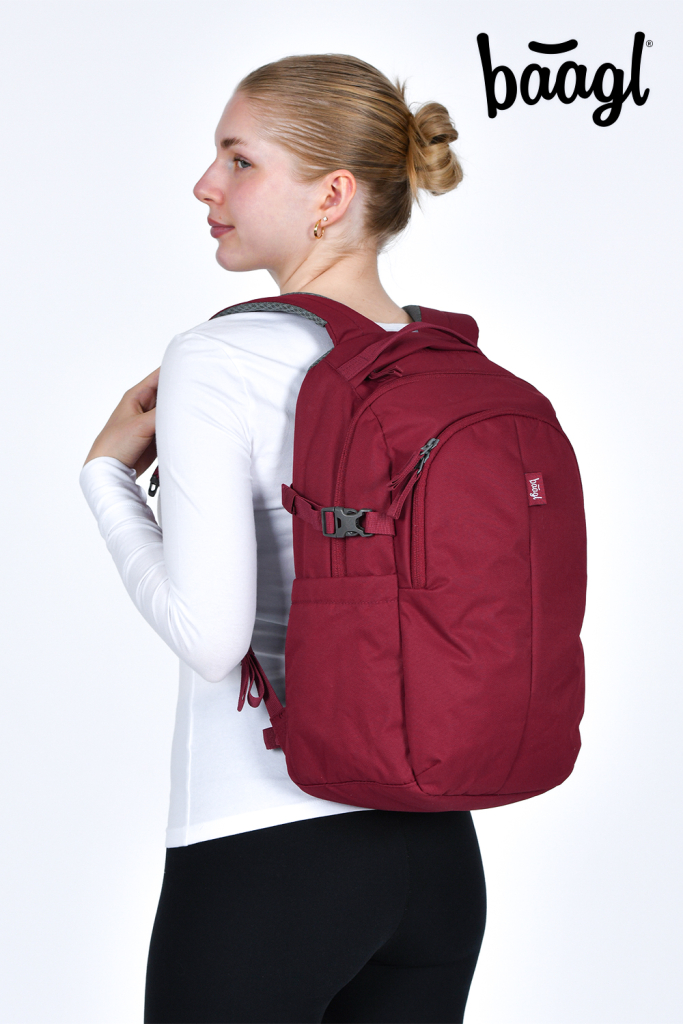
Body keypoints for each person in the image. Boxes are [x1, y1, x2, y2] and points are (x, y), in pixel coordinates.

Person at [80, 53, 487, 1024]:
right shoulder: (439, 359)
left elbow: (211, 636)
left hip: (266, 855)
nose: (205, 185)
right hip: (437, 857)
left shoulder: (219, 356)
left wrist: (105, 479)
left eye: (239, 159)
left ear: (330, 196)